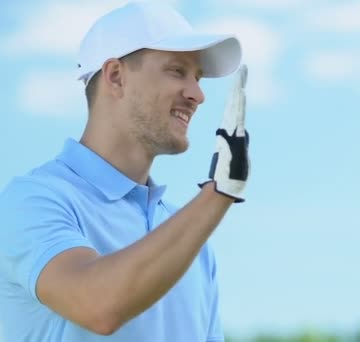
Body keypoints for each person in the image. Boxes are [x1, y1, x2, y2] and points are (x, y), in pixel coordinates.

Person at [0, 1, 249, 341]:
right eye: (178, 71)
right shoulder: (32, 201)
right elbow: (98, 305)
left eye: (198, 77)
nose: (197, 94)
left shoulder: (196, 247)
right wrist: (217, 194)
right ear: (116, 77)